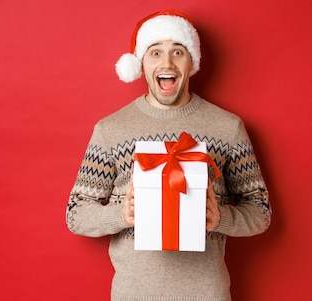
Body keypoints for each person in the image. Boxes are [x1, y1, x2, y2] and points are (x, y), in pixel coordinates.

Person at [65, 9, 271, 300]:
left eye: (177, 51)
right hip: (133, 294)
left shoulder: (228, 128)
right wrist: (121, 214)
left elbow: (260, 211)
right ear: (140, 64)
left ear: (191, 62)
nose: (167, 62)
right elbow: (76, 214)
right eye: (155, 52)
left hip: (206, 293)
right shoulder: (111, 129)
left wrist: (220, 217)